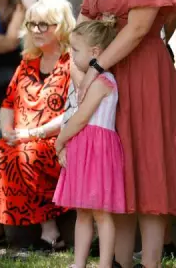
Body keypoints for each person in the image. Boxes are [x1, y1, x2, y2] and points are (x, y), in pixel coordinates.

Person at [77, 0, 176, 268]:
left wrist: (96, 66)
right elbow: (86, 17)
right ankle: (121, 262)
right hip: (109, 70)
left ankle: (151, 261)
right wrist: (82, 65)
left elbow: (141, 27)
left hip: (144, 74)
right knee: (116, 166)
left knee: (149, 164)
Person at [0, 0, 75, 250]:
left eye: (45, 24)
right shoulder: (27, 62)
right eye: (32, 24)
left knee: (28, 155)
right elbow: (8, 102)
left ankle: (52, 232)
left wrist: (33, 132)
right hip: (21, 136)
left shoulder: (73, 64)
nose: (37, 30)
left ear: (61, 26)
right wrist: (8, 130)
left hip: (57, 139)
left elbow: (75, 110)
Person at [53, 18, 125, 268]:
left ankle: (105, 264)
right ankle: (79, 263)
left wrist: (59, 142)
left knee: (101, 213)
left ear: (95, 52)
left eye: (75, 50)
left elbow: (82, 117)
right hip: (83, 147)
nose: (71, 55)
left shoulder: (104, 82)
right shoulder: (88, 80)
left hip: (98, 150)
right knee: (82, 211)